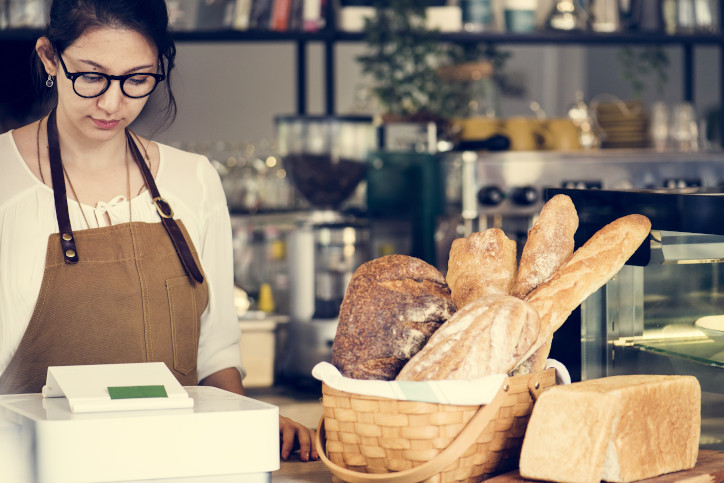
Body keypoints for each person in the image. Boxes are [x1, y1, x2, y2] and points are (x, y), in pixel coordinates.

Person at [0, 0, 318, 462]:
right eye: (91, 76)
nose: (113, 103)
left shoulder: (194, 180)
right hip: (31, 466)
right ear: (50, 58)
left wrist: (249, 424)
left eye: (137, 79)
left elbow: (216, 351)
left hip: (182, 463)